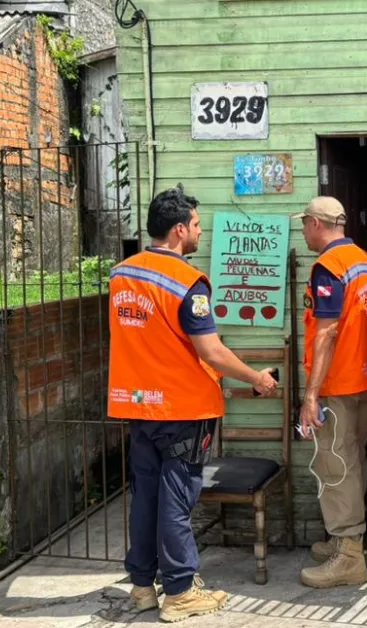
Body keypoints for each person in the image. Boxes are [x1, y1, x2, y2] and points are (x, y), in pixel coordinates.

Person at [107, 184, 278, 623]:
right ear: (180, 230)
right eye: (197, 225)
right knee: (177, 499)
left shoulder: (122, 275)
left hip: (137, 404)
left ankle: (142, 586)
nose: (201, 232)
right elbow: (211, 351)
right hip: (181, 409)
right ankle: (180, 591)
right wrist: (257, 378)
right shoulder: (186, 282)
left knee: (146, 497)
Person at [292, 196, 367, 589]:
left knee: (336, 465)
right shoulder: (365, 261)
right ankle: (346, 540)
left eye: (304, 224)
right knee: (353, 459)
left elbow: (326, 333)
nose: (303, 232)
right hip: (364, 378)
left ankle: (349, 556)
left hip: (337, 385)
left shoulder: (329, 267)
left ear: (316, 223)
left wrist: (311, 396)